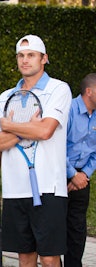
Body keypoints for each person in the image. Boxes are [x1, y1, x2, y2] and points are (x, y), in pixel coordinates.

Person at [0, 34, 72, 267]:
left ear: (44, 59)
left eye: (31, 55)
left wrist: (9, 126)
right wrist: (27, 128)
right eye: (21, 56)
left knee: (50, 257)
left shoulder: (59, 89)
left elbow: (45, 131)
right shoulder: (6, 96)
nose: (25, 60)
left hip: (49, 188)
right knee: (24, 257)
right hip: (15, 190)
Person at [64, 73, 96, 267]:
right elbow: (56, 146)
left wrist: (84, 174)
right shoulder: (68, 110)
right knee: (56, 229)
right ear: (89, 91)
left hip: (83, 177)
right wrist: (72, 175)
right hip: (60, 173)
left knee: (77, 230)